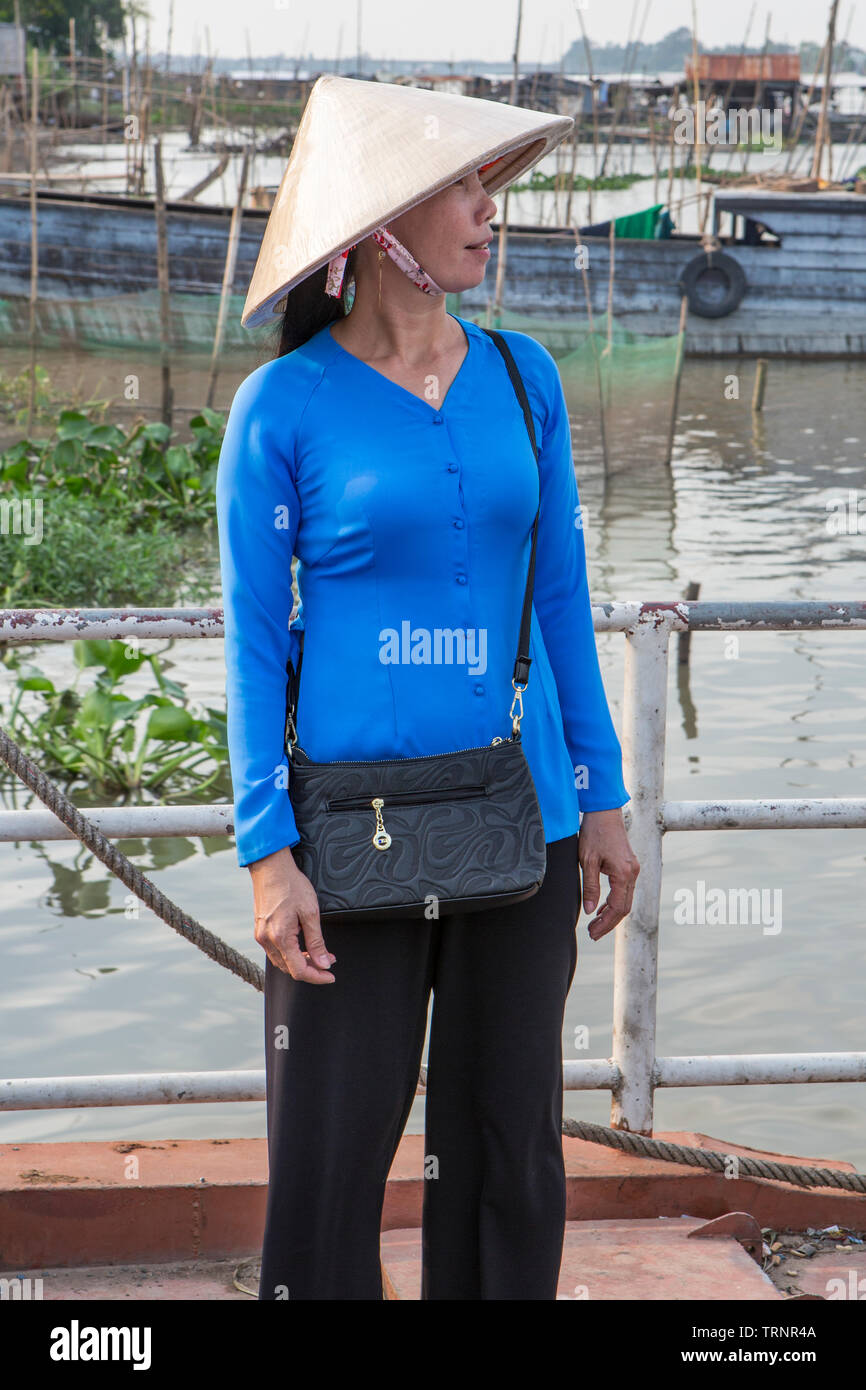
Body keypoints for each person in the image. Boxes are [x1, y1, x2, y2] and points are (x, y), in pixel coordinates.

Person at [216, 75, 640, 1301]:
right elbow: (248, 638)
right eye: (462, 182)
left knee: (506, 1147)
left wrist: (601, 798)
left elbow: (560, 598)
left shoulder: (523, 379)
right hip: (347, 838)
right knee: (329, 1161)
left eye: (488, 181)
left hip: (527, 820)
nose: (486, 207)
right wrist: (265, 848)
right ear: (382, 225)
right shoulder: (280, 406)